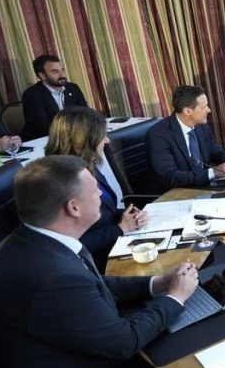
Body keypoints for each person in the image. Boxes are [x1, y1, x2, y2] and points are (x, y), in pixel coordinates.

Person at [0, 155, 204, 368]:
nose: (101, 196)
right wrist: (176, 297)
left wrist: (157, 283)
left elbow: (93, 284)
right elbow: (124, 342)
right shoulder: (53, 276)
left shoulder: (34, 242)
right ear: (73, 207)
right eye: (95, 190)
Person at [45, 107, 148, 271]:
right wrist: (120, 229)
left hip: (116, 244)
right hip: (96, 265)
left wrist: (128, 215)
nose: (107, 141)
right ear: (83, 141)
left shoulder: (87, 165)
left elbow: (105, 210)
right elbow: (69, 246)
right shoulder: (58, 183)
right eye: (102, 136)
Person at [146, 85, 225, 190]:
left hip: (204, 186)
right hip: (176, 193)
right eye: (204, 107)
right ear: (188, 111)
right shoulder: (158, 135)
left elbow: (215, 150)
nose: (209, 110)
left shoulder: (201, 125)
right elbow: (170, 177)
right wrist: (213, 172)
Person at [21, 54, 89, 140]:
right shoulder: (31, 95)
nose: (62, 75)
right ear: (42, 76)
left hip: (74, 136)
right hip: (45, 140)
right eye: (55, 72)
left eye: (62, 70)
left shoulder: (73, 88)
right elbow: (43, 127)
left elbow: (86, 113)